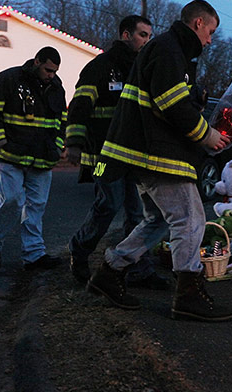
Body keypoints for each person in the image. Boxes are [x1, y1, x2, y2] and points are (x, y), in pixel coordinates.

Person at [87, 0, 232, 322]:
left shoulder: (172, 51)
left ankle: (109, 274)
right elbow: (171, 103)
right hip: (157, 155)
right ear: (198, 23)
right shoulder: (169, 50)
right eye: (210, 32)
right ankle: (188, 296)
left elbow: (172, 101)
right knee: (191, 219)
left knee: (157, 221)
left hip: (147, 153)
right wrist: (207, 135)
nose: (210, 40)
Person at [65, 15, 169, 289]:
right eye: (142, 35)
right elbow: (79, 106)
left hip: (132, 155)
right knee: (108, 205)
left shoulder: (141, 68)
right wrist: (74, 143)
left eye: (149, 35)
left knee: (138, 214)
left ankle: (139, 269)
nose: (147, 40)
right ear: (126, 35)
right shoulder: (99, 68)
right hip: (103, 155)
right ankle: (79, 249)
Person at [0, 47, 66, 271]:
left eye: (55, 71)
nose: (51, 75)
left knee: (36, 207)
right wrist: (0, 142)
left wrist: (56, 147)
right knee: (11, 200)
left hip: (42, 157)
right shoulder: (9, 79)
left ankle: (34, 254)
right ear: (37, 61)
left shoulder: (56, 86)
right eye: (48, 70)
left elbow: (61, 120)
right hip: (11, 155)